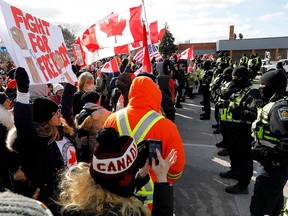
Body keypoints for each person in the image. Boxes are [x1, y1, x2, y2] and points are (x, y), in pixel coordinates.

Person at [104, 76, 185, 208]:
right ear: (155, 94)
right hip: (151, 200)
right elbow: (176, 169)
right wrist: (163, 177)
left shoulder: (111, 119)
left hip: (116, 196)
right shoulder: (167, 126)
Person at [59, 127, 177, 216]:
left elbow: (117, 186)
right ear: (127, 179)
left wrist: (141, 176)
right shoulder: (130, 213)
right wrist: (162, 178)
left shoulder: (73, 208)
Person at [9, 67, 78, 215]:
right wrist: (22, 92)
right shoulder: (38, 142)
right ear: (45, 118)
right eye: (56, 113)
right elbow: (23, 124)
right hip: (52, 198)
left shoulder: (63, 129)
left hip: (75, 190)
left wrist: (70, 78)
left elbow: (65, 103)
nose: (60, 115)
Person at [249, 69, 288, 216]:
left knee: (259, 207)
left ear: (272, 87)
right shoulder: (274, 103)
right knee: (275, 200)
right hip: (270, 164)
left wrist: (266, 153)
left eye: (262, 86)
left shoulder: (280, 108)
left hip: (273, 167)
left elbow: (286, 142)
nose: (260, 89)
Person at [219, 66, 263, 194]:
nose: (233, 80)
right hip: (233, 128)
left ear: (242, 77)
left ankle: (243, 185)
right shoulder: (238, 88)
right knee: (234, 153)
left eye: (235, 78)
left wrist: (239, 110)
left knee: (245, 158)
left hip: (245, 130)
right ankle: (234, 171)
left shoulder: (253, 92)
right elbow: (228, 98)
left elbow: (256, 114)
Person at [74, 91, 112, 162]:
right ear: (98, 100)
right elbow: (115, 117)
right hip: (99, 145)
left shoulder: (82, 112)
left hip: (86, 145)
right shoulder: (102, 112)